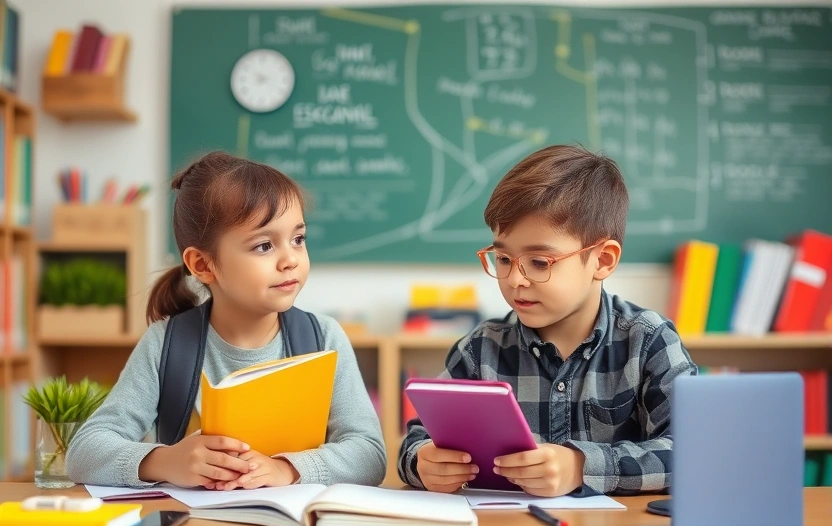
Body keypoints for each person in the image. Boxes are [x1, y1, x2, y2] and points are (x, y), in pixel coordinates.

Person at [67, 151, 386, 489]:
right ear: (203, 265)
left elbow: (369, 455)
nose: (290, 259)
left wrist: (286, 470)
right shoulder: (164, 344)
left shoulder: (324, 338)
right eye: (264, 246)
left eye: (298, 239)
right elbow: (84, 452)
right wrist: (166, 461)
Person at [398, 145, 696, 497]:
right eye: (504, 258)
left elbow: (694, 451)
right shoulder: (480, 350)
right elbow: (417, 439)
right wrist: (423, 463)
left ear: (602, 260)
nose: (515, 280)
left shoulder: (648, 342)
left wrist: (582, 466)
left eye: (539, 262)